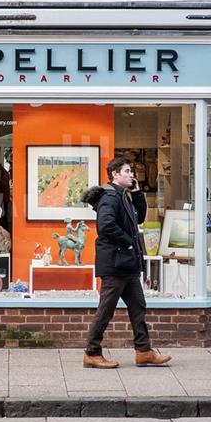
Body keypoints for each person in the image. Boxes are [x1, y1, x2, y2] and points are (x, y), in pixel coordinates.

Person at [79, 155, 171, 368]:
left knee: (138, 306)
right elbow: (106, 226)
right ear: (115, 174)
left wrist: (137, 193)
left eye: (131, 172)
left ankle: (144, 351)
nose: (132, 174)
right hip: (115, 264)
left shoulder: (123, 196)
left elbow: (138, 218)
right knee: (106, 310)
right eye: (127, 171)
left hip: (127, 265)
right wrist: (129, 242)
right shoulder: (110, 198)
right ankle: (91, 353)